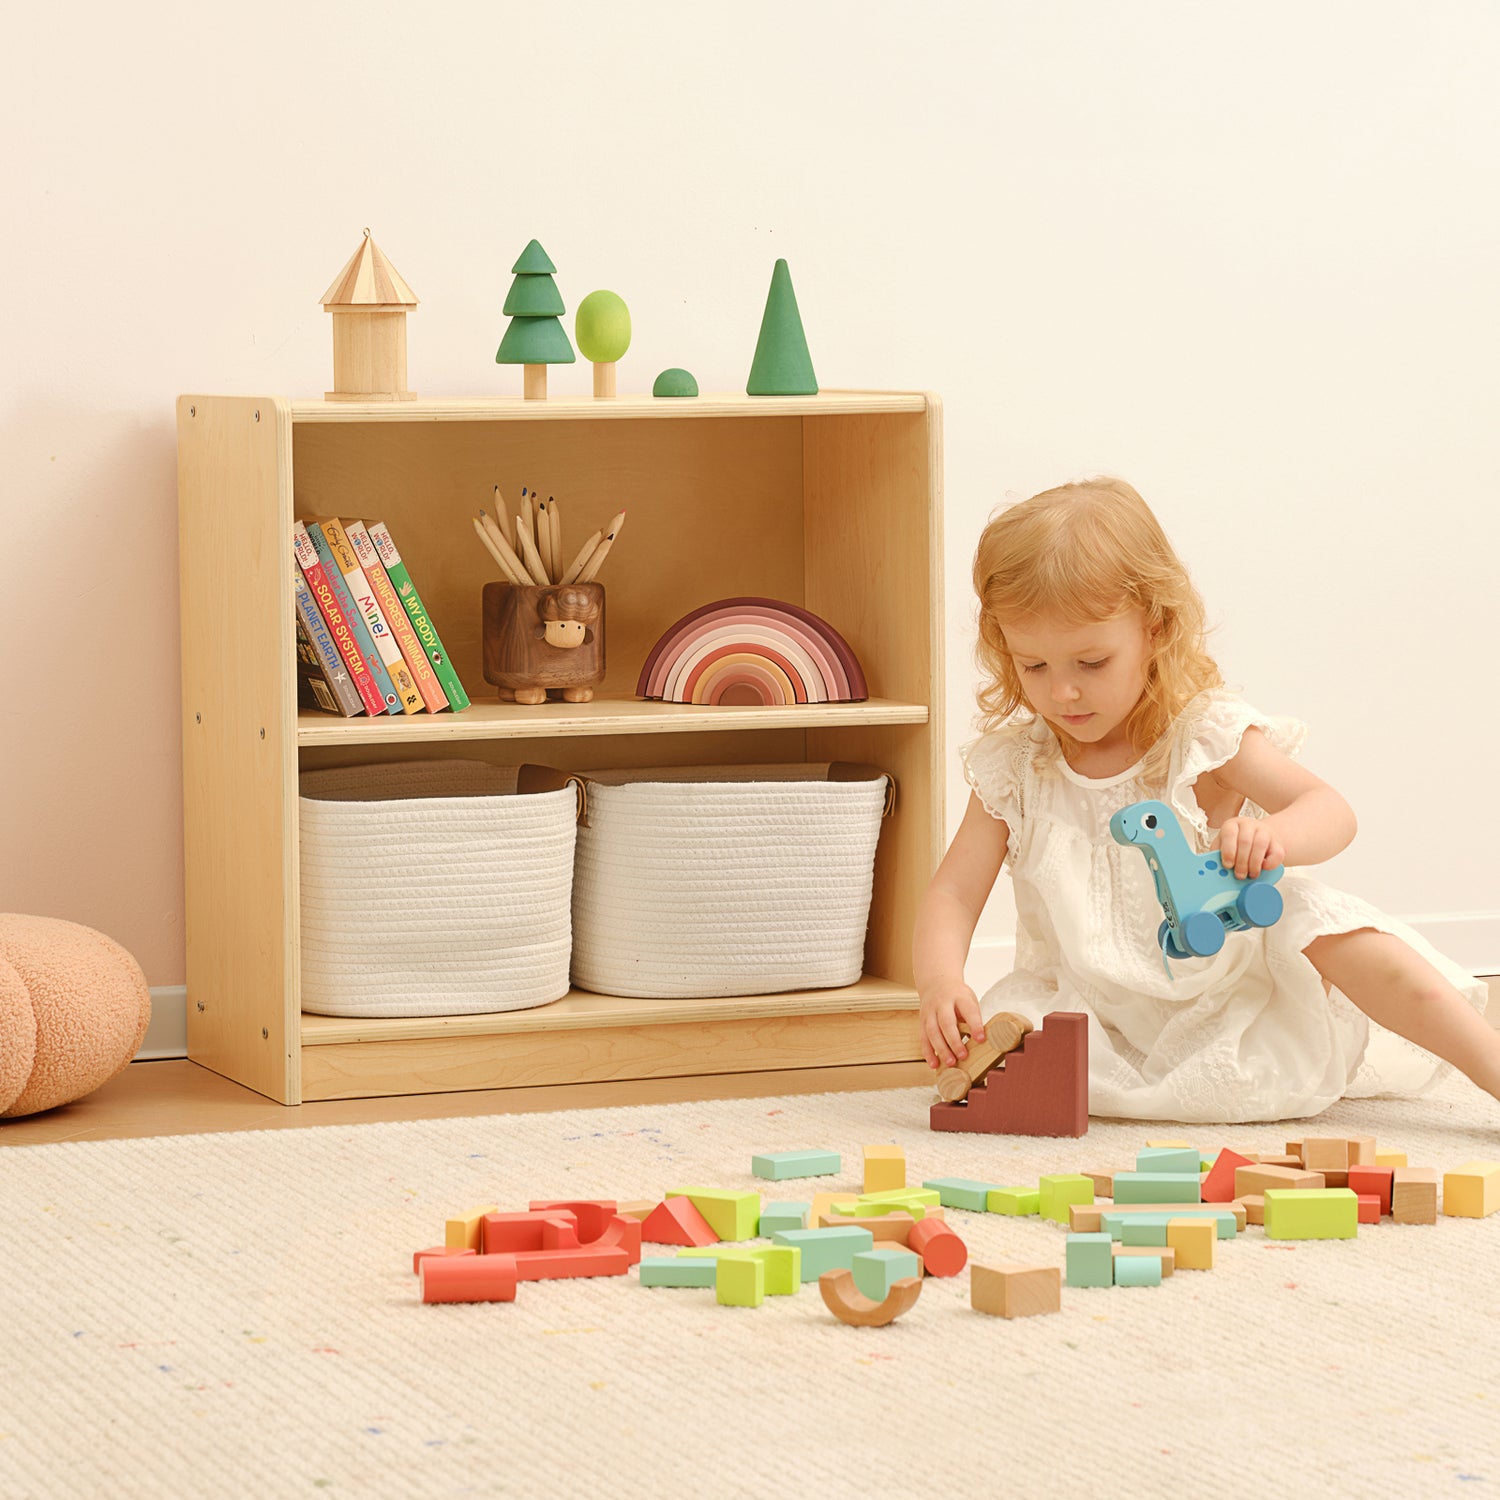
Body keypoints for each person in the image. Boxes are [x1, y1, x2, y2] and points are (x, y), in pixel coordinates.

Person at [913, 477, 1496, 1122]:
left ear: (1155, 628)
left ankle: (1492, 1065)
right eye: (1035, 666)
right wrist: (940, 982)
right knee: (1009, 1024)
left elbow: (1331, 810)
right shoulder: (1017, 769)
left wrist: (1276, 837)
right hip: (1090, 1006)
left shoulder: (1201, 737)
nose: (1063, 693)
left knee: (1325, 923)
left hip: (1224, 989)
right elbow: (953, 893)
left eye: (1091, 663)